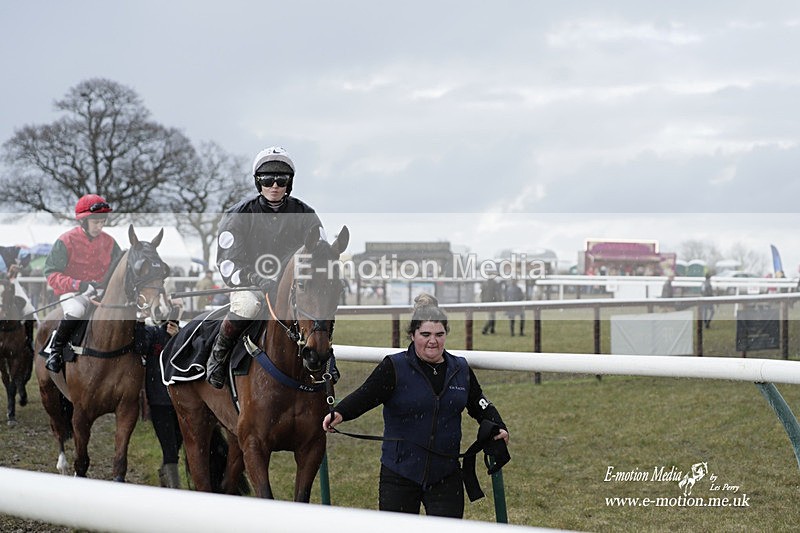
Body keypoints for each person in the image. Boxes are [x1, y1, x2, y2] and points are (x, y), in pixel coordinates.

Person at [322, 294, 509, 518]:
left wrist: (498, 424)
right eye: (426, 334)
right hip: (399, 474)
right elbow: (365, 395)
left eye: (440, 334)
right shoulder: (394, 367)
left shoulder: (460, 370)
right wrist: (340, 413)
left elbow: (481, 404)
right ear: (412, 335)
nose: (433, 341)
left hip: (446, 476)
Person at [207, 146, 323, 389]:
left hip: (292, 288)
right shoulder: (238, 215)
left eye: (281, 180)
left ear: (289, 183)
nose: (275, 185)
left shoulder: (306, 215)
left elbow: (320, 255)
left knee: (317, 309)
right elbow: (228, 264)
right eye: (267, 179)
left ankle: (324, 361)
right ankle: (218, 357)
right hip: (250, 285)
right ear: (257, 181)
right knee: (249, 305)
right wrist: (256, 279)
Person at [43, 194, 122, 373]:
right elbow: (51, 273)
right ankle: (56, 351)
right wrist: (79, 284)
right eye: (96, 222)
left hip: (101, 292)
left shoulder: (110, 242)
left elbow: (117, 271)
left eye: (103, 221)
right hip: (73, 292)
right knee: (76, 311)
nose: (100, 226)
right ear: (83, 221)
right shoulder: (66, 241)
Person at [139, 306, 183, 488]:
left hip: (180, 402)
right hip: (159, 401)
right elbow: (140, 346)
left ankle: (166, 475)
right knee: (169, 447)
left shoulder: (182, 334)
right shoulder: (152, 333)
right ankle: (174, 488)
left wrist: (178, 338)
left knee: (176, 444)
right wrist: (140, 323)